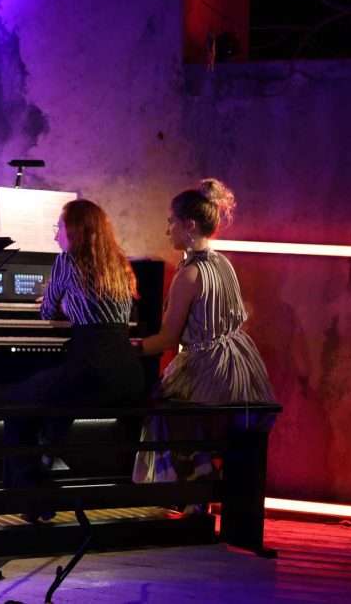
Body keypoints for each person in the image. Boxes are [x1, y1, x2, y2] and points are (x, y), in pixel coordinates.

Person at [0, 199, 144, 517]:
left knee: (15, 401)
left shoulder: (67, 260)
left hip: (91, 372)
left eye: (58, 228)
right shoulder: (119, 263)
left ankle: (34, 495)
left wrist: (59, 302)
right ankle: (49, 456)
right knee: (51, 396)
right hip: (129, 374)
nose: (55, 236)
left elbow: (47, 311)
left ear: (74, 230)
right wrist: (71, 304)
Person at [131, 179, 276, 485]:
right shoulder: (223, 264)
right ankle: (201, 471)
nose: (167, 230)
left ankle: (188, 481)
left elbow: (168, 339)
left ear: (190, 225)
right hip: (241, 367)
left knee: (158, 408)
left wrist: (131, 346)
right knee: (181, 412)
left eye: (171, 222)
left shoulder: (188, 274)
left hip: (208, 369)